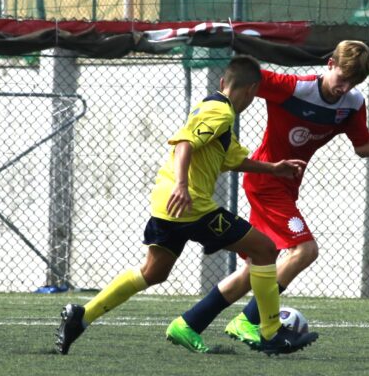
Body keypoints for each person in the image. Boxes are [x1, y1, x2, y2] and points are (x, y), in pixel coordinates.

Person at [55, 55, 318, 356]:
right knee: (265, 250)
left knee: (152, 272)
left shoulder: (213, 109)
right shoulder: (220, 113)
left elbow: (233, 160)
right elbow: (185, 144)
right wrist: (182, 185)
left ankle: (82, 317)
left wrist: (273, 168)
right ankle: (270, 331)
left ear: (222, 82)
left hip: (165, 204)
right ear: (252, 91)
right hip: (191, 205)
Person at [169, 40, 369, 351]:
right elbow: (241, 82)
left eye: (353, 82)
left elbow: (363, 145)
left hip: (284, 186)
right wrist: (207, 117)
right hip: (266, 181)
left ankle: (189, 323)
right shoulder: (292, 88)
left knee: (257, 266)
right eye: (342, 78)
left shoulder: (352, 104)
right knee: (305, 250)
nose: (345, 87)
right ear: (329, 64)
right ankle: (250, 320)